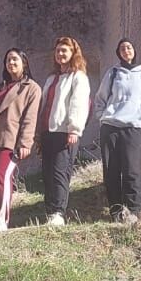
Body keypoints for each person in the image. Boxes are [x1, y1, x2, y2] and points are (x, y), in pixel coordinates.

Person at [91, 39, 141, 224]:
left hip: (132, 127)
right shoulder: (113, 73)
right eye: (122, 48)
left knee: (132, 170)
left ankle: (134, 211)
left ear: (134, 50)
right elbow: (101, 97)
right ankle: (116, 211)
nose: (126, 50)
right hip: (110, 127)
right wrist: (102, 116)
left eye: (129, 47)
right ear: (118, 53)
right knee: (111, 169)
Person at [0, 48, 41, 232]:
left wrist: (26, 143)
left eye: (15, 59)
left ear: (24, 63)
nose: (11, 63)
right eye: (7, 61)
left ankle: (1, 220)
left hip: (10, 139)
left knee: (1, 178)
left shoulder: (31, 88)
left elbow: (30, 118)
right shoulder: (0, 87)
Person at [37, 37, 91, 227]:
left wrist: (74, 129)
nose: (60, 54)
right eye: (58, 50)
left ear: (73, 53)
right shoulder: (52, 78)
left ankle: (58, 212)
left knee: (60, 172)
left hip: (65, 132)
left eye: (65, 50)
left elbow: (79, 104)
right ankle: (49, 211)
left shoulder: (78, 77)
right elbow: (44, 105)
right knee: (48, 172)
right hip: (48, 132)